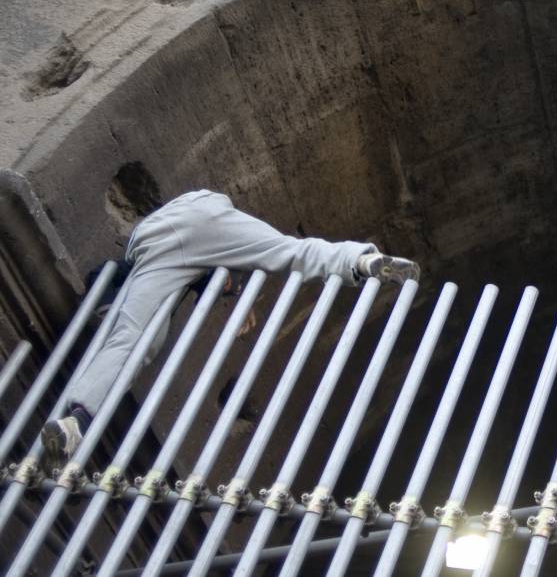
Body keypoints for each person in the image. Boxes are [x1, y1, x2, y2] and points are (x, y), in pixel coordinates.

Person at [40, 189, 419, 471]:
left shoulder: (142, 265)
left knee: (134, 341)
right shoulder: (199, 260)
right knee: (289, 251)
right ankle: (363, 260)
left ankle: (77, 422)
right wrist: (239, 298)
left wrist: (239, 299)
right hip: (207, 210)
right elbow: (222, 270)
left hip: (156, 232)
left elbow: (203, 276)